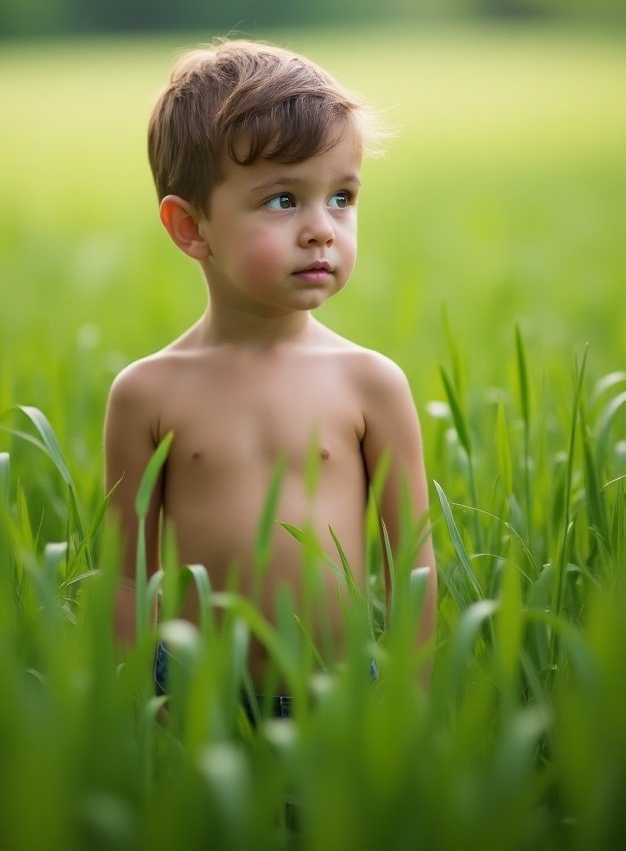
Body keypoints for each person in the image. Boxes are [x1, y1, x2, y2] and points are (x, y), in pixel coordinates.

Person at [104, 39, 436, 714]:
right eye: (283, 201)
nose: (322, 230)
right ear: (190, 227)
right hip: (192, 695)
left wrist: (412, 697)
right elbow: (125, 577)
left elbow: (414, 568)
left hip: (339, 694)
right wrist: (140, 706)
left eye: (341, 198)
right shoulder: (147, 395)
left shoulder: (369, 384)